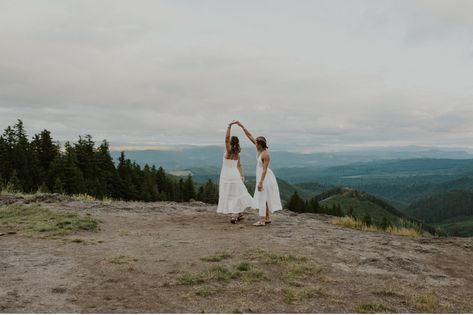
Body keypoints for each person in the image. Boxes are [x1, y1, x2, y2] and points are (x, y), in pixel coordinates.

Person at [236, 121, 282, 226]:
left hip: (264, 177)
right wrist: (242, 126)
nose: (255, 145)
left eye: (256, 144)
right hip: (261, 175)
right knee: (263, 197)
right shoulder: (260, 151)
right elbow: (250, 136)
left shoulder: (265, 154)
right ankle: (267, 218)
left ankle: (262, 220)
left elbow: (265, 169)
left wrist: (261, 182)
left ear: (260, 145)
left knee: (261, 197)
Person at [216, 120, 254, 223]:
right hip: (235, 175)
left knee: (230, 194)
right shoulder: (237, 154)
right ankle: (239, 214)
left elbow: (226, 139)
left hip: (226, 175)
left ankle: (234, 216)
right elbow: (239, 165)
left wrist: (229, 126)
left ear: (231, 143)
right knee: (237, 194)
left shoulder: (228, 151)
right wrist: (242, 176)